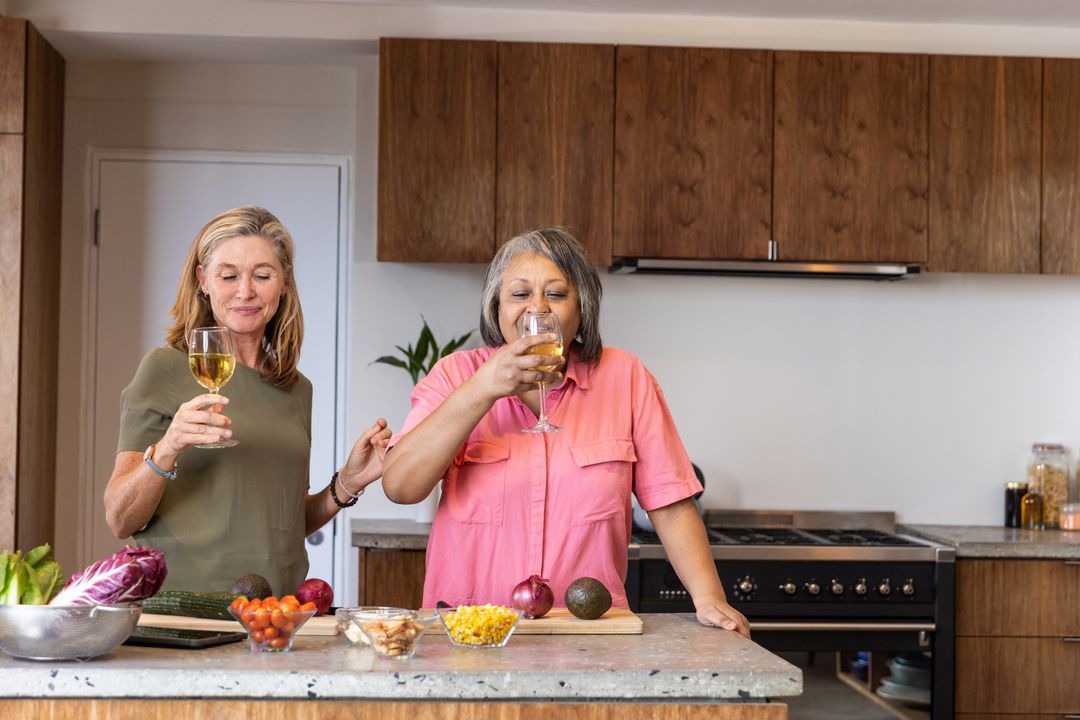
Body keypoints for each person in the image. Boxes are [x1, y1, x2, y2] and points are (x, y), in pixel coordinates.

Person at [381, 228, 749, 636]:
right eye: (520, 295)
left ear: (581, 309)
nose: (536, 308)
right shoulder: (454, 376)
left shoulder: (626, 377)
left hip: (587, 629)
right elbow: (401, 487)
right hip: (469, 630)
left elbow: (671, 503)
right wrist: (483, 389)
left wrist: (710, 598)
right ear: (497, 307)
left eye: (555, 295)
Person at [104, 206, 391, 595]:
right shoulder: (164, 369)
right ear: (202, 280)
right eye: (228, 275)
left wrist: (348, 483)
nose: (245, 291)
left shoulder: (295, 388)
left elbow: (283, 522)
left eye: (262, 275)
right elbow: (120, 518)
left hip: (275, 612)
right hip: (184, 613)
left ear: (285, 283)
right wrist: (169, 447)